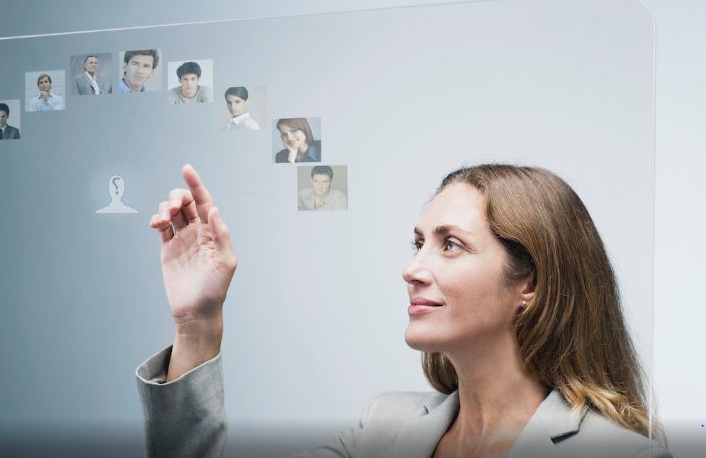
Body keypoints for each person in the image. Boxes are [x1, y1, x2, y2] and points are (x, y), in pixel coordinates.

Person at [137, 164, 670, 458]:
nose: (412, 268)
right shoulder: (380, 429)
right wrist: (197, 325)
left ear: (529, 282)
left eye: (450, 245)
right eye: (417, 243)